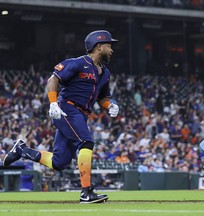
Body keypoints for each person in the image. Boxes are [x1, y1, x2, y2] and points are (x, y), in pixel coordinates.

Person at [3, 30, 119, 203]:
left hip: (81, 114)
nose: (111, 49)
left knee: (59, 162)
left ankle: (22, 150)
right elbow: (53, 80)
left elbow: (103, 98)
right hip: (66, 109)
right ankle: (86, 192)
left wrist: (110, 106)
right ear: (98, 46)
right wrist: (53, 103)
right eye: (108, 45)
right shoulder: (78, 63)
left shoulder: (106, 73)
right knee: (86, 142)